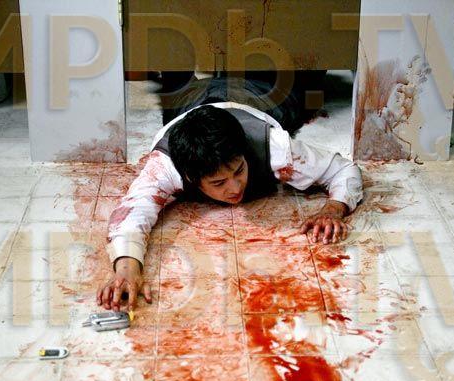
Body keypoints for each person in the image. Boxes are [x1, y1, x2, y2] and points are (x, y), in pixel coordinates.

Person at [96, 76, 363, 312]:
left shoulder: (274, 146)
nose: (235, 188)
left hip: (257, 96)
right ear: (190, 178)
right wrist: (127, 270)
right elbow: (134, 212)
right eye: (219, 182)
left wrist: (334, 209)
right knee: (173, 89)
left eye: (239, 170)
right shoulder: (165, 166)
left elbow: (343, 169)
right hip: (192, 100)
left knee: (300, 91)